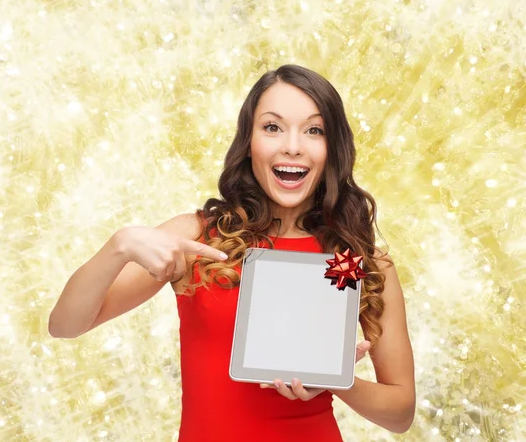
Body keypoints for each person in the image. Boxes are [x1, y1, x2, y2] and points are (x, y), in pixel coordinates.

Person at [49, 64, 416, 440]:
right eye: (272, 127)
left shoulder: (356, 261)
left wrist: (336, 379)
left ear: (332, 148)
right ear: (249, 140)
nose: (292, 145)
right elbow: (65, 325)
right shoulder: (197, 238)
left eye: (314, 130)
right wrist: (120, 245)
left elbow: (400, 413)